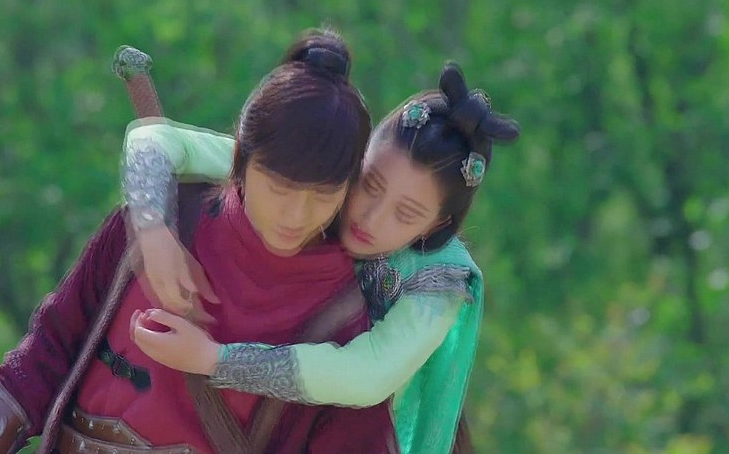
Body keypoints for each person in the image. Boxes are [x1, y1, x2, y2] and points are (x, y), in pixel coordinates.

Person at [0, 28, 399, 454]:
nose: (296, 216)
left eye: (322, 195)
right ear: (241, 158)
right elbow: (50, 345)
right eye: (280, 188)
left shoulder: (345, 312)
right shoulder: (163, 220)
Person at [124, 61, 520, 453]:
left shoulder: (439, 282)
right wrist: (153, 230)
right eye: (370, 184)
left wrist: (215, 360)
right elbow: (154, 140)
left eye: (406, 214)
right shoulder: (320, 186)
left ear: (436, 226)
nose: (370, 217)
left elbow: (368, 375)